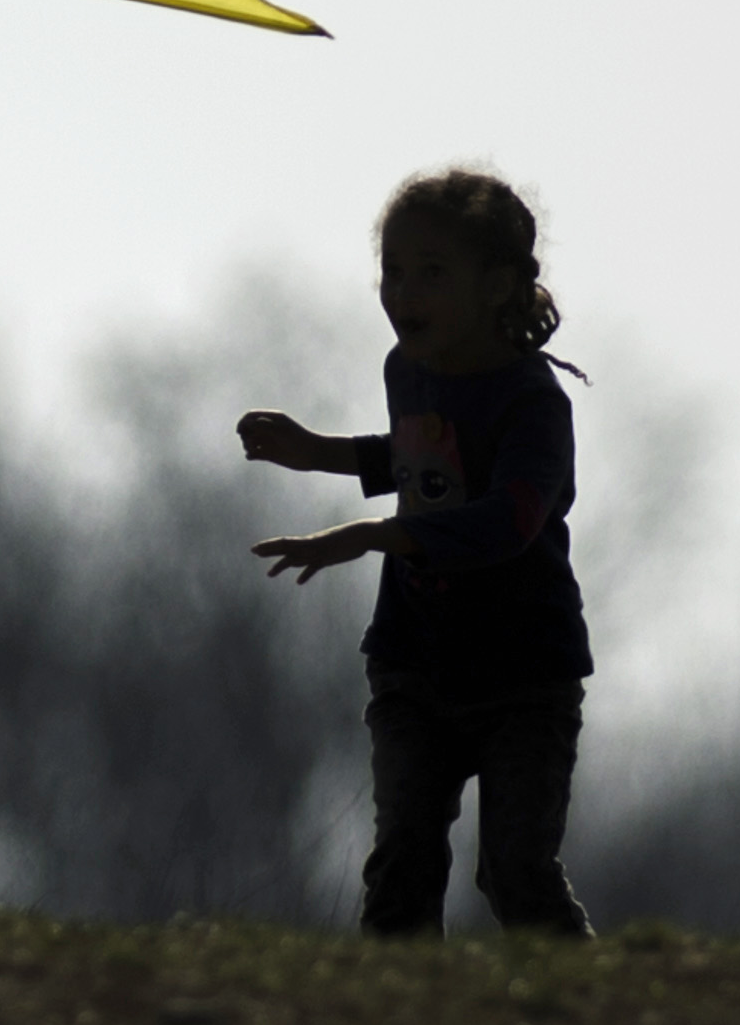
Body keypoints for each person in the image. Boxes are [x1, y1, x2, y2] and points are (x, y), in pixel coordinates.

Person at [236, 167, 595, 938]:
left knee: (515, 872)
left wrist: (375, 536)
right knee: (402, 857)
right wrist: (317, 452)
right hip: (415, 659)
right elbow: (425, 461)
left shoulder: (535, 405)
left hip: (524, 671)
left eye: (432, 274)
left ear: (497, 286)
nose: (404, 294)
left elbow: (507, 520)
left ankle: (584, 1015)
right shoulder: (408, 372)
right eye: (393, 272)